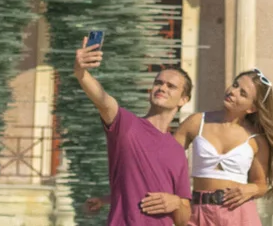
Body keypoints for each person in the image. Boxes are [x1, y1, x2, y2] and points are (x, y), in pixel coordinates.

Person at [72, 40, 193, 226]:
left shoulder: (177, 151)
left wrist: (176, 203)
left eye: (171, 86)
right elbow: (103, 100)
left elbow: (184, 218)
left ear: (183, 99)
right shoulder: (126, 125)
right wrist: (81, 73)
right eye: (158, 83)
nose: (162, 88)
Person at [173, 70, 273, 226]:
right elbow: (168, 158)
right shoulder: (197, 121)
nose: (232, 92)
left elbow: (261, 184)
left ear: (252, 108)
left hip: (239, 215)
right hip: (198, 213)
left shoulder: (256, 139)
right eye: (235, 85)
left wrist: (252, 189)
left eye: (242, 93)